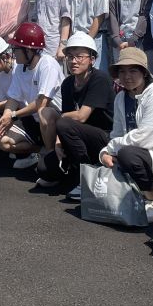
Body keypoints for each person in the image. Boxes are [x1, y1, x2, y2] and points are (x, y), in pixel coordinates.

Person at [99, 48, 153, 223]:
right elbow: (117, 132)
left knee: (126, 153)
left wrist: (109, 149)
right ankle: (143, 194)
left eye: (133, 71)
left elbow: (147, 137)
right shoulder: (120, 97)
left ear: (144, 72)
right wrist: (108, 153)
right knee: (120, 151)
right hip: (139, 155)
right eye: (122, 71)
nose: (127, 76)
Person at [35, 32, 115, 198]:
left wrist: (61, 120)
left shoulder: (100, 79)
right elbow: (67, 116)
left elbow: (81, 116)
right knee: (44, 168)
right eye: (70, 56)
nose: (73, 61)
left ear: (92, 59)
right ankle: (74, 170)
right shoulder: (68, 83)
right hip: (78, 137)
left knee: (63, 122)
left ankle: (88, 176)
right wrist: (58, 144)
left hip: (104, 138)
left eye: (79, 56)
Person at [0, 22, 63, 169]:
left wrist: (13, 115)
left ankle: (51, 159)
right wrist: (6, 116)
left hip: (55, 120)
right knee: (3, 141)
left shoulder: (47, 64)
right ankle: (41, 151)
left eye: (16, 48)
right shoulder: (20, 67)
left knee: (44, 113)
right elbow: (13, 98)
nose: (13, 52)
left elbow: (41, 103)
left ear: (28, 50)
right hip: (34, 121)